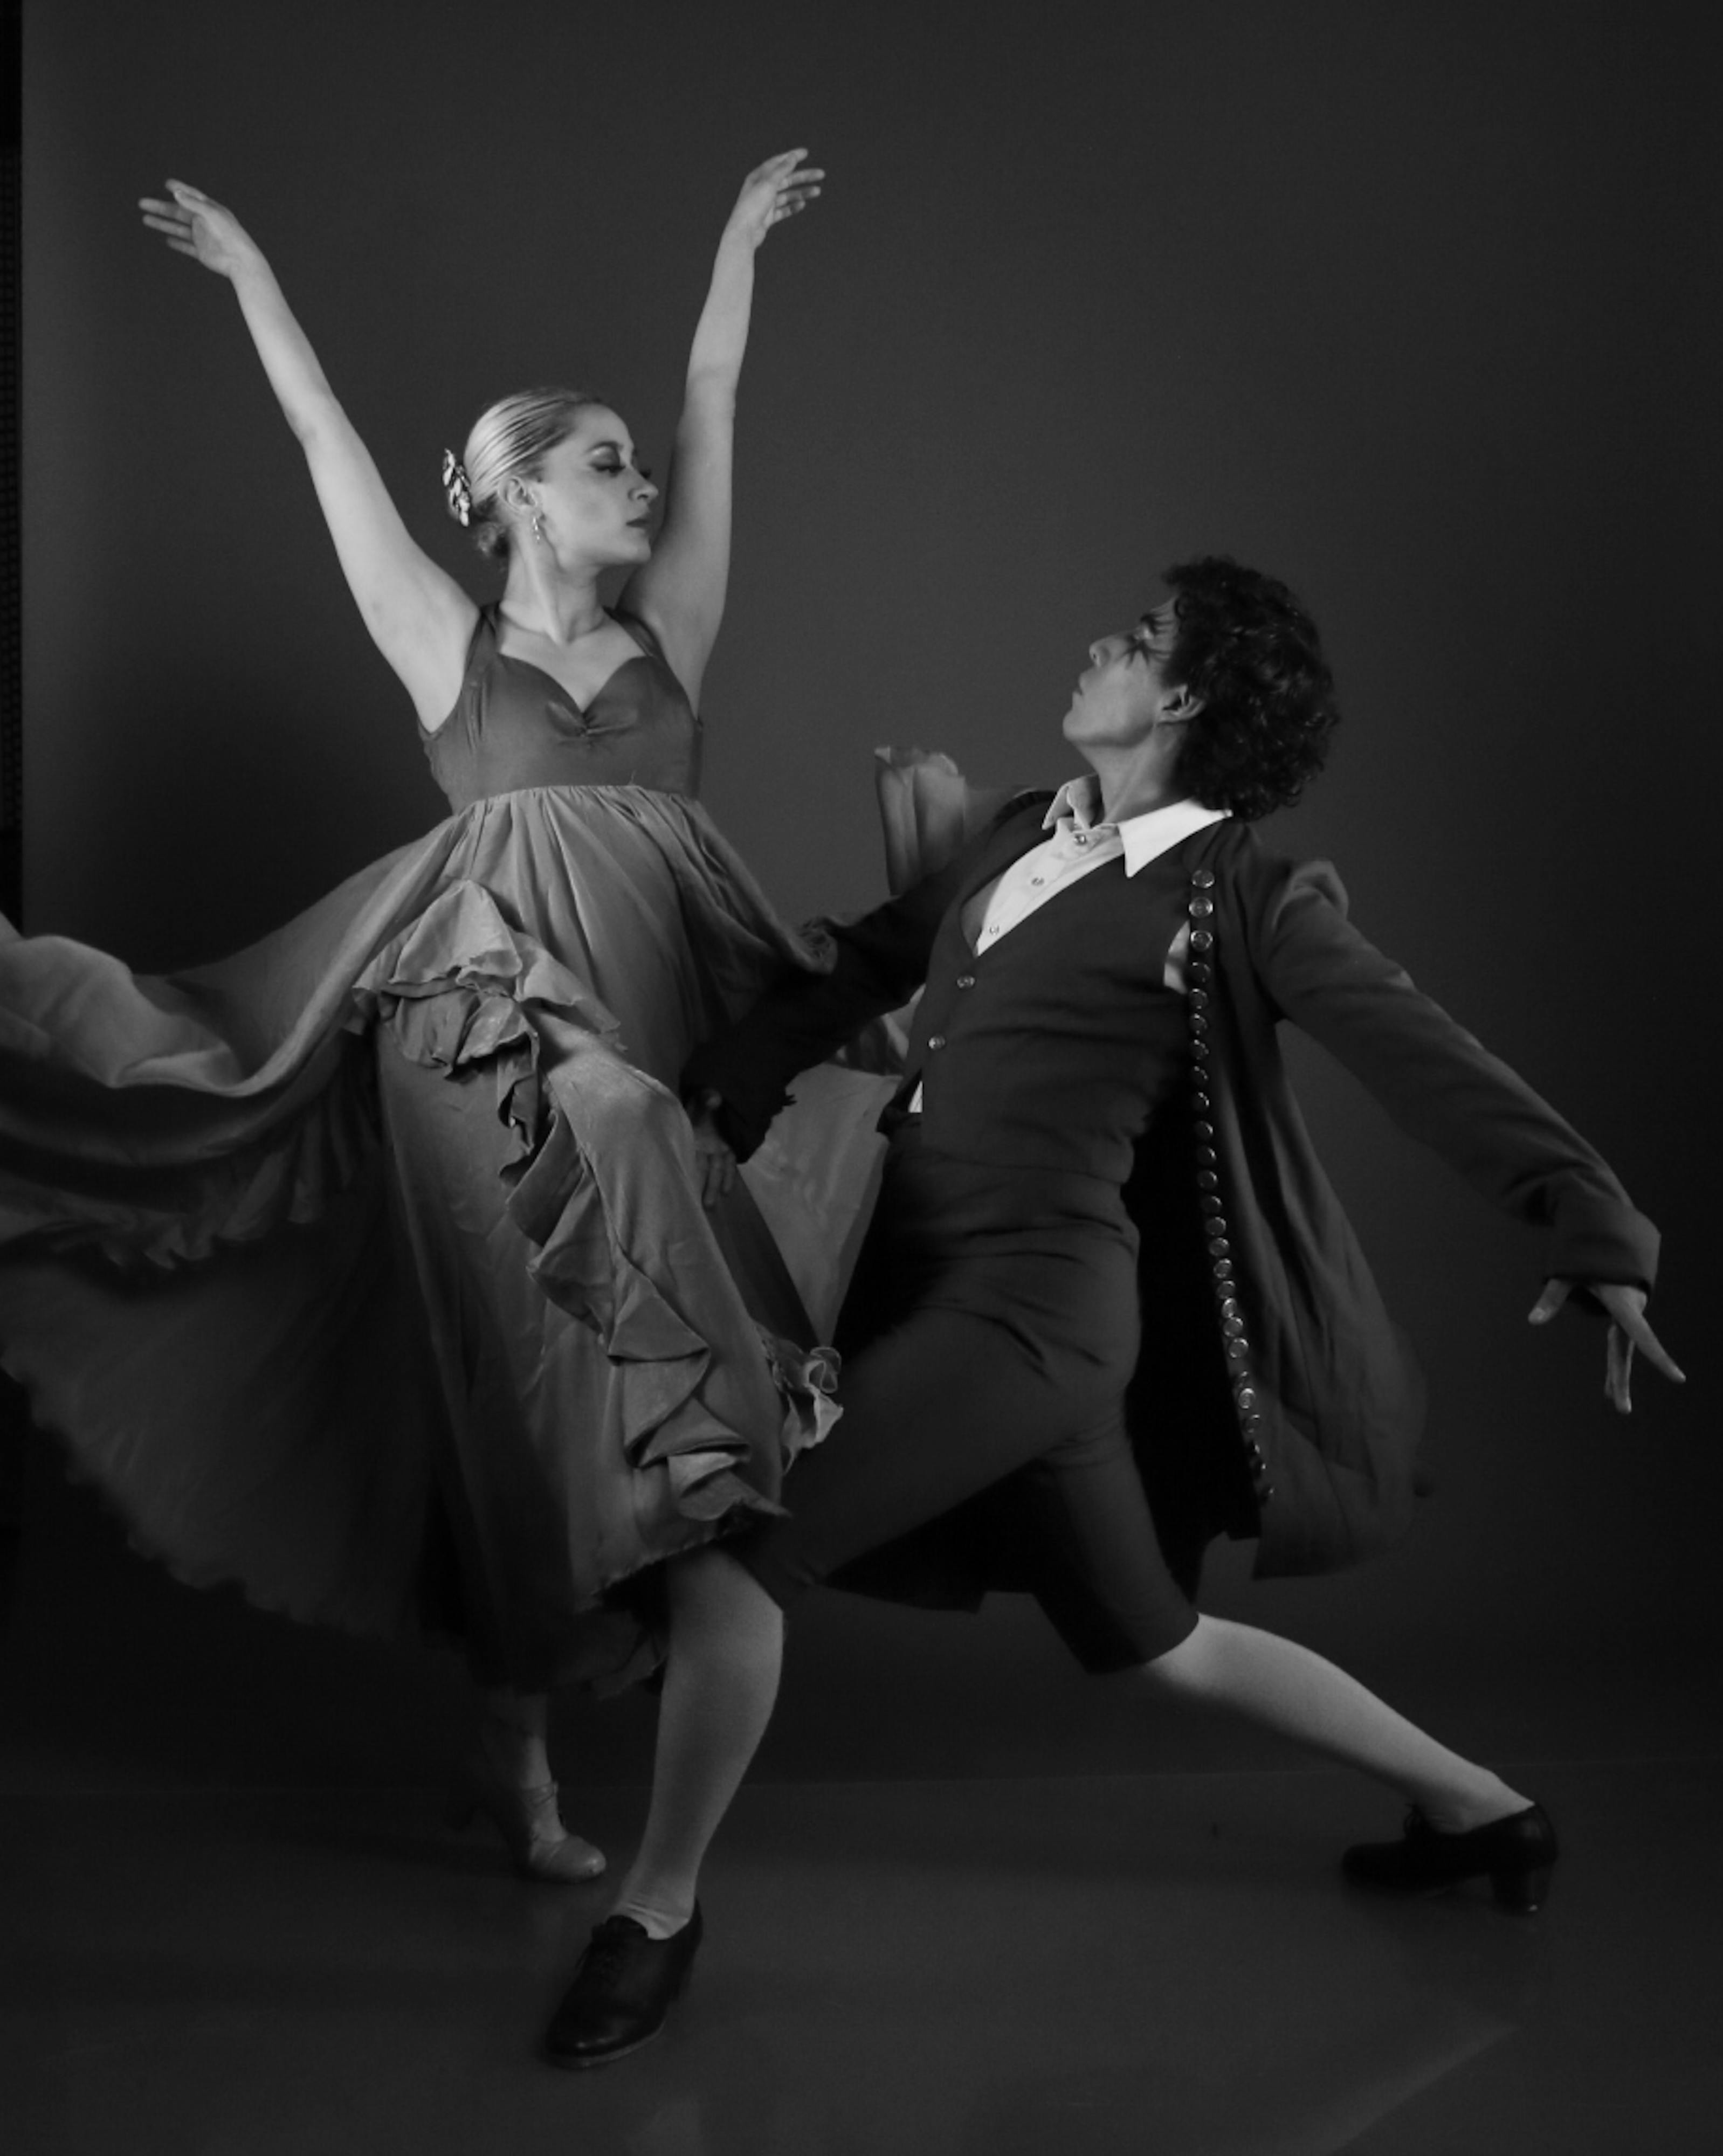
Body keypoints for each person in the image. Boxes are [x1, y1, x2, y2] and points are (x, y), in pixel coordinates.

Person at [540, 554, 1681, 2068]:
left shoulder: (1243, 902)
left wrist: (1591, 1223)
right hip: (929, 1275)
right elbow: (879, 961)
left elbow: (1422, 1056)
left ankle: (658, 1914)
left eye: (1139, 638)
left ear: (1188, 698)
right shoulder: (1022, 829)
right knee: (1157, 1642)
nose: (1098, 641)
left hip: (1033, 1316)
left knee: (735, 1551)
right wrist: (741, 1067)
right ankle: (1489, 1810)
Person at [0, 156, 835, 1889]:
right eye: (602, 462)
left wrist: (734, 248)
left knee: (630, 1369)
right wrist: (249, 277)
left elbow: (716, 398)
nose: (644, 480)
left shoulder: (671, 635)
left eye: (634, 461)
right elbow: (327, 445)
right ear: (523, 498)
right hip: (479, 1031)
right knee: (521, 1380)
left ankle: (530, 1725)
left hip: (664, 1010)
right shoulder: (447, 650)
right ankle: (522, 1759)